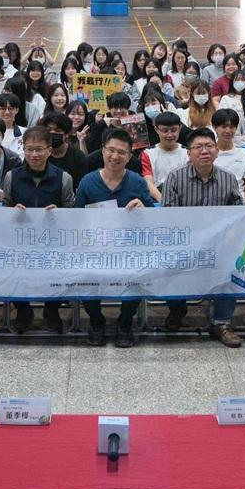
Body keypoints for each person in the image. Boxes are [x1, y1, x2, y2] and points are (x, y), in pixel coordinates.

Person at [157, 127, 245, 348]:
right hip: (184, 244)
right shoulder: (174, 178)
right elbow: (168, 218)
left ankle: (221, 323)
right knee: (167, 265)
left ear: (217, 151)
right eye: (198, 147)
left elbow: (237, 214)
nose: (204, 151)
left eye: (209, 146)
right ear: (189, 153)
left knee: (233, 265)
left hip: (219, 246)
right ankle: (178, 309)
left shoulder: (228, 179)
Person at [75, 127, 155, 347]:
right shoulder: (88, 182)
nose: (115, 156)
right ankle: (96, 321)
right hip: (94, 248)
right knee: (84, 276)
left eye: (121, 152)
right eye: (111, 150)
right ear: (102, 151)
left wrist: (142, 208)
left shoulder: (138, 182)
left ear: (129, 156)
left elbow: (153, 217)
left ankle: (125, 322)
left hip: (130, 248)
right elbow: (76, 219)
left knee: (139, 275)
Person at [0, 126, 77, 334]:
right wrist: (12, 211)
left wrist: (59, 213)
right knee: (12, 269)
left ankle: (52, 310)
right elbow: (4, 209)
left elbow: (71, 211)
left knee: (59, 270)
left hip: (53, 240)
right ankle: (23, 311)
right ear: (23, 149)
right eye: (30, 149)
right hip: (20, 239)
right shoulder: (12, 177)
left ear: (49, 150)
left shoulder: (63, 178)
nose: (34, 154)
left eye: (39, 149)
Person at [140, 110, 187, 202]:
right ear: (156, 129)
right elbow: (148, 182)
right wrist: (163, 201)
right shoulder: (147, 153)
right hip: (156, 198)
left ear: (180, 128)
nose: (169, 135)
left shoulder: (188, 153)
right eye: (165, 131)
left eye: (174, 130)